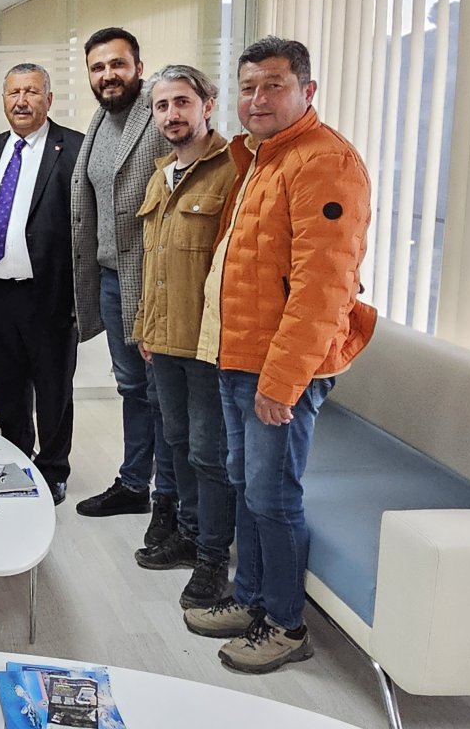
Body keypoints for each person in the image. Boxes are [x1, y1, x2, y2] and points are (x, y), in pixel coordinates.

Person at [183, 36, 375, 674]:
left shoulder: (325, 162)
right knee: (247, 487)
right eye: (248, 87)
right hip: (239, 356)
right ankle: (252, 600)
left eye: (274, 85)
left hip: (278, 371)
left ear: (306, 91)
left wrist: (283, 381)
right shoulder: (261, 157)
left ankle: (287, 625)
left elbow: (324, 289)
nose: (258, 99)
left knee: (273, 495)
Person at [129, 67, 237, 609]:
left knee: (207, 453)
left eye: (182, 103)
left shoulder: (233, 171)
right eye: (161, 106)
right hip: (165, 340)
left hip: (209, 344)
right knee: (176, 442)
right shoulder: (162, 176)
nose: (171, 115)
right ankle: (190, 535)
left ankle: (214, 556)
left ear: (207, 105)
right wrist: (144, 327)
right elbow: (154, 264)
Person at [71, 27, 176, 545]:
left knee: (163, 396)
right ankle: (135, 484)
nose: (108, 74)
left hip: (155, 282)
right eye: (98, 67)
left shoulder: (158, 111)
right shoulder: (101, 119)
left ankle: (169, 501)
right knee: (132, 388)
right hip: (113, 279)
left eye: (117, 64)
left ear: (138, 66)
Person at [0, 64, 83, 504]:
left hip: (48, 293)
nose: (21, 101)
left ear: (48, 99)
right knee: (7, 388)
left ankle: (53, 469)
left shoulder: (73, 149)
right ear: (3, 100)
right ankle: (16, 458)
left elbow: (84, 226)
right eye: (13, 93)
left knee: (53, 389)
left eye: (31, 92)